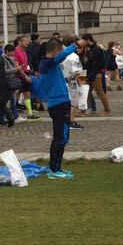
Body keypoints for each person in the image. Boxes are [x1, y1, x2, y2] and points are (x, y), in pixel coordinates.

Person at [37, 36, 79, 179]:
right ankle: (55, 170)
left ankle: (56, 167)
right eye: (61, 50)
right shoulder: (47, 63)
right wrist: (75, 45)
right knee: (60, 137)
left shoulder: (49, 66)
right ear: (57, 50)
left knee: (62, 136)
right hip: (59, 105)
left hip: (60, 103)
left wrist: (69, 79)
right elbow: (62, 56)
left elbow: (52, 81)